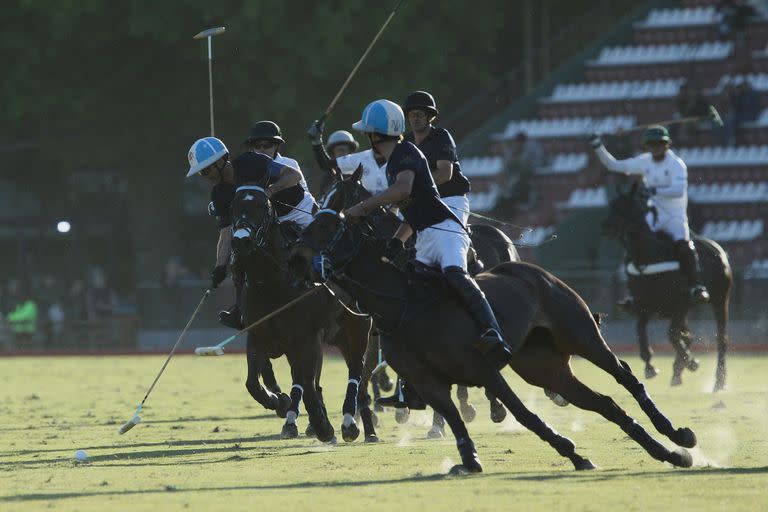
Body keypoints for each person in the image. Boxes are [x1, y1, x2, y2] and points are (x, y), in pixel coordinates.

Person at [343, 99, 513, 408]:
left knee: (453, 272)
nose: (417, 118)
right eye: (412, 115)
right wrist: (397, 239)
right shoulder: (397, 157)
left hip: (449, 216)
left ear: (377, 135)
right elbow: (413, 211)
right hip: (426, 225)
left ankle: (494, 333)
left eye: (369, 134)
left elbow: (419, 186)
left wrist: (367, 204)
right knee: (413, 300)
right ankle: (415, 389)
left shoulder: (418, 148)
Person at [186, 136, 306, 329]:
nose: (205, 175)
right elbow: (226, 233)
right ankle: (240, 309)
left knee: (318, 244)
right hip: (263, 228)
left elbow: (293, 175)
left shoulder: (251, 161)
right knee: (240, 249)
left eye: (206, 169)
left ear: (220, 161)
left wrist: (271, 190)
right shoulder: (219, 193)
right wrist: (219, 267)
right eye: (201, 173)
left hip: (294, 212)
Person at [591, 126, 710, 305]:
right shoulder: (644, 161)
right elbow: (613, 165)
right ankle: (632, 293)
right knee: (634, 245)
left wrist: (654, 190)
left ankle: (696, 286)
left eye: (660, 143)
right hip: (654, 216)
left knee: (684, 246)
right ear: (647, 146)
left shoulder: (676, 164)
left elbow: (678, 191)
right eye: (652, 144)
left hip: (675, 217)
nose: (656, 148)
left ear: (667, 144)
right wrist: (598, 146)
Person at [243, 120, 317, 228]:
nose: (262, 150)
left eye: (267, 145)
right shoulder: (248, 169)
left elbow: (293, 179)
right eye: (257, 146)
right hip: (272, 220)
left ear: (276, 146)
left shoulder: (289, 164)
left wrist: (270, 190)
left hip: (303, 213)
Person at [308, 123, 389, 197]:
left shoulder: (397, 158)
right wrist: (316, 142)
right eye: (339, 150)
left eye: (344, 150)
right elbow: (325, 164)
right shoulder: (329, 177)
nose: (342, 154)